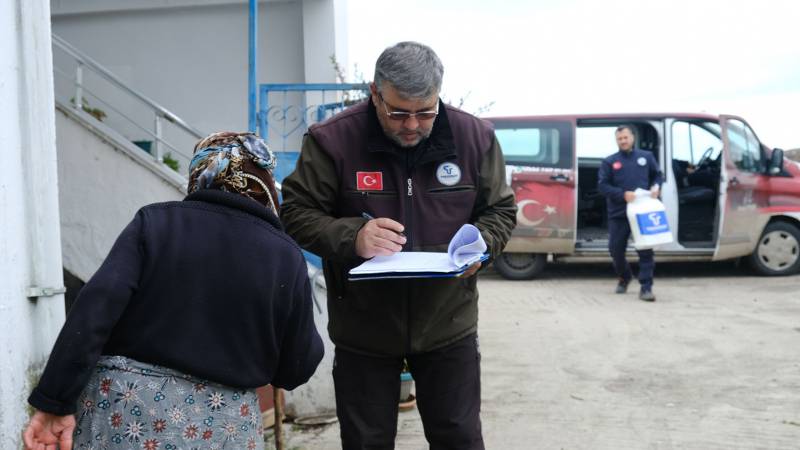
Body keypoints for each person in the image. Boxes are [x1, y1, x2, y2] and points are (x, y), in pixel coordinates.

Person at [280, 41, 516, 449]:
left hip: (448, 323)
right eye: (398, 113)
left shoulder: (474, 137)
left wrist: (483, 244)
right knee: (366, 442)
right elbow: (296, 212)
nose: (412, 125)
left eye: (425, 112)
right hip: (364, 327)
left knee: (458, 437)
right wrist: (352, 236)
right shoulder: (332, 140)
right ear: (375, 93)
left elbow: (500, 211)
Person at [23, 132, 323, 450]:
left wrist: (55, 402)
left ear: (199, 175)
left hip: (125, 413)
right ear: (263, 184)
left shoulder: (155, 223)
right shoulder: (285, 256)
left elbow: (93, 313)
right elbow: (296, 367)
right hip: (224, 428)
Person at [598, 125, 664, 302]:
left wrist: (656, 187)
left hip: (642, 211)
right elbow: (602, 186)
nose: (623, 141)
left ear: (632, 138)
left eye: (625, 137)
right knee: (615, 250)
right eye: (619, 139)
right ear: (616, 141)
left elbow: (658, 176)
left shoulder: (646, 157)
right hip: (619, 212)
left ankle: (646, 288)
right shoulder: (609, 162)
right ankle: (624, 277)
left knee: (645, 250)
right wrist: (622, 194)